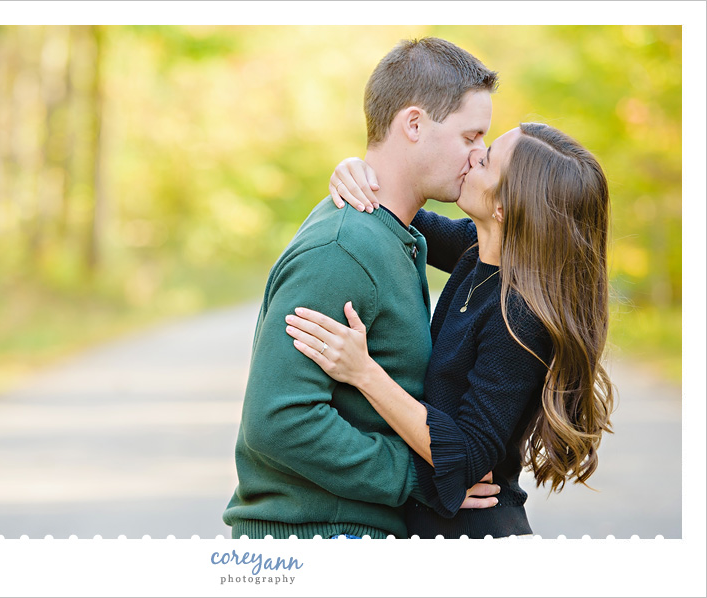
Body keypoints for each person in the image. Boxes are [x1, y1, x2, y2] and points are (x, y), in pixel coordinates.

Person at [222, 37, 502, 540]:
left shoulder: (400, 235)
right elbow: (279, 421)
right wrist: (420, 475)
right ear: (413, 125)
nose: (479, 156)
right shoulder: (343, 249)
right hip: (316, 540)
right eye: (470, 137)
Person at [284, 122, 616, 538]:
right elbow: (398, 208)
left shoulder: (520, 319)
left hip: (475, 537)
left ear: (503, 207)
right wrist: (356, 171)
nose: (474, 156)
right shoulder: (477, 251)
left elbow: (467, 455)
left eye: (487, 159)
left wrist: (363, 373)